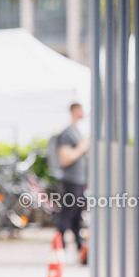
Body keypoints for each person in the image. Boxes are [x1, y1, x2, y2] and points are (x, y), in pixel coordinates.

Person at [55, 102, 90, 263]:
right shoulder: (68, 133)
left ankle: (79, 248)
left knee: (76, 217)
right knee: (67, 215)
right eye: (81, 109)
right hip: (71, 182)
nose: (84, 112)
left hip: (79, 182)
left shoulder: (77, 132)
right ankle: (58, 248)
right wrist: (81, 149)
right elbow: (64, 158)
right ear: (74, 111)